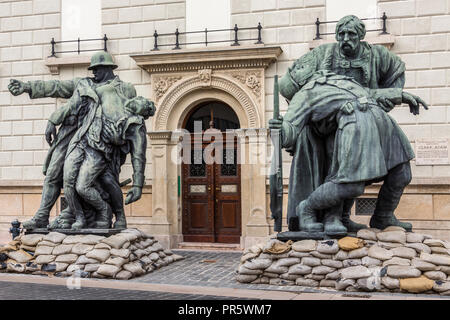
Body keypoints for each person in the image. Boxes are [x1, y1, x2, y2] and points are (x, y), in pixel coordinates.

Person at [270, 52, 428, 235]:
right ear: (296, 82)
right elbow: (291, 127)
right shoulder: (305, 94)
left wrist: (400, 95)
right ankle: (307, 207)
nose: (300, 66)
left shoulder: (338, 79)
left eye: (298, 66)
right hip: (356, 125)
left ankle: (383, 216)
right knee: (352, 184)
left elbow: (371, 93)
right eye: (296, 69)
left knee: (402, 174)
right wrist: (280, 129)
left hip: (382, 124)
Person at [279, 15, 407, 233]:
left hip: (373, 118)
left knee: (402, 172)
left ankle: (383, 215)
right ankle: (333, 217)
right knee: (343, 174)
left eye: (351, 34)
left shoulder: (378, 56)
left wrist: (388, 98)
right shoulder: (320, 61)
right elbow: (288, 89)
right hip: (334, 125)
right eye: (342, 34)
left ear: (361, 36)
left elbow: (396, 74)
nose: (345, 38)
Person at [8, 51, 153, 229]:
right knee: (54, 173)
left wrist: (137, 181)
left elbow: (129, 115)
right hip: (74, 134)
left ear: (107, 68)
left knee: (99, 181)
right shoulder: (84, 84)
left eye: (97, 69)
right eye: (93, 69)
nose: (94, 72)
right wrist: (27, 87)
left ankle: (94, 214)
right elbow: (56, 87)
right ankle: (43, 215)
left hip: (104, 142)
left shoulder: (126, 88)